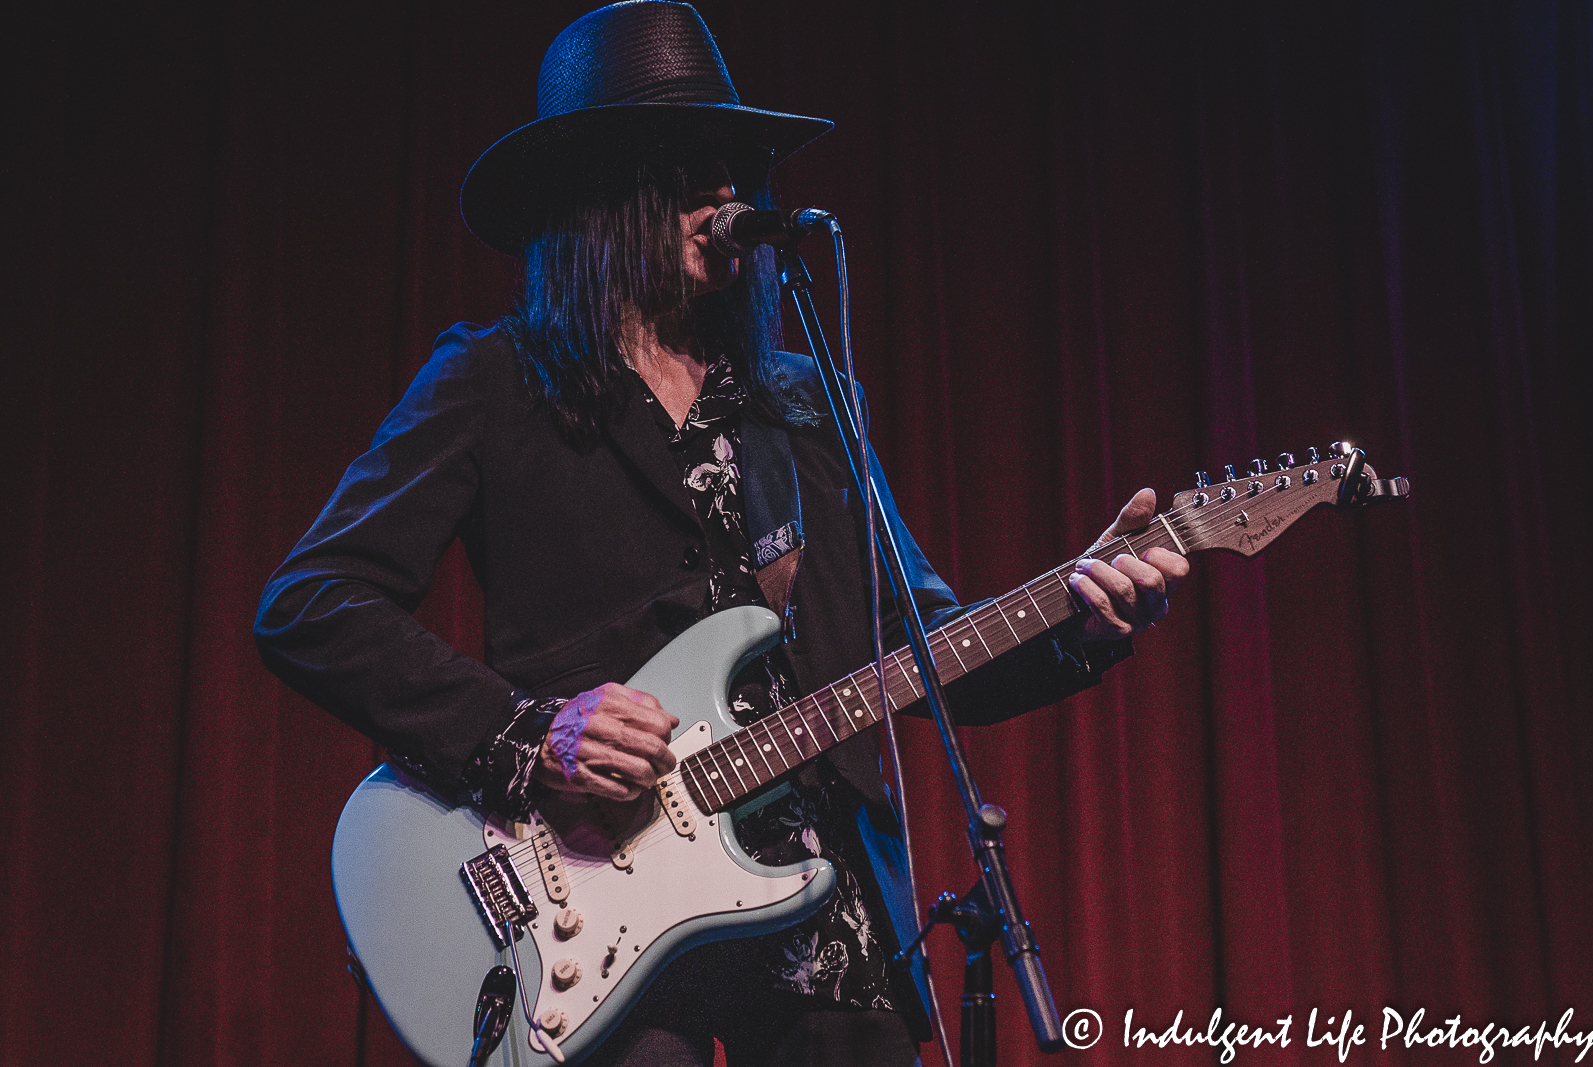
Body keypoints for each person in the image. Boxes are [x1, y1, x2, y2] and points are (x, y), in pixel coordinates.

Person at [254, 3, 1188, 1065]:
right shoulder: (493, 383)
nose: (727, 196)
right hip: (592, 901)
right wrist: (530, 730)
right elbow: (311, 603)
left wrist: (1083, 613)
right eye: (690, 167)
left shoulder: (802, 401)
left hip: (825, 905)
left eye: (737, 167)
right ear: (602, 191)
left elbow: (923, 645)